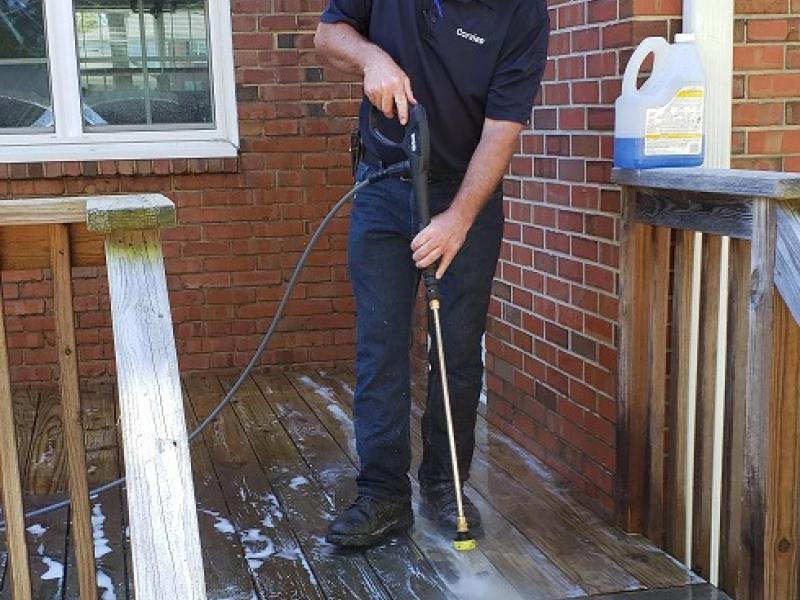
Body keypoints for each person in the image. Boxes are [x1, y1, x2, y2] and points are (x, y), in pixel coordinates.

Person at [314, 0, 549, 547]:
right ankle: (383, 497)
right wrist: (371, 58)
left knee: (457, 351)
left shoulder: (522, 12)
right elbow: (328, 36)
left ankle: (445, 486)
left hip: (463, 192)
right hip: (382, 185)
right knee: (382, 345)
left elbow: (503, 126)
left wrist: (458, 220)